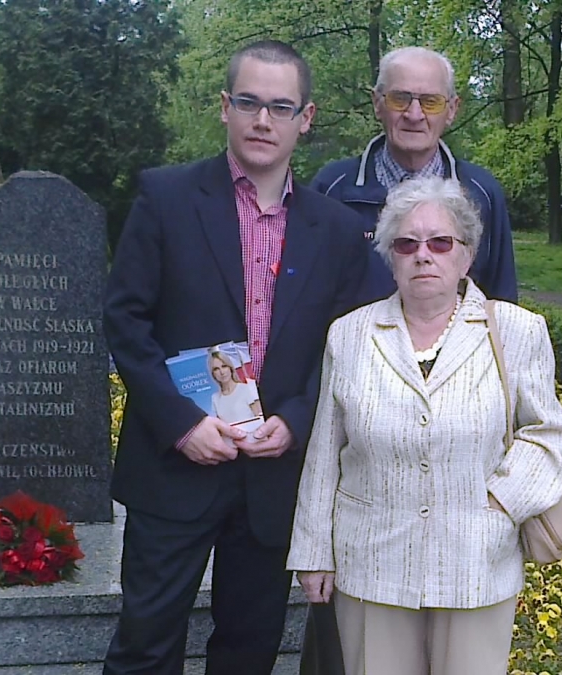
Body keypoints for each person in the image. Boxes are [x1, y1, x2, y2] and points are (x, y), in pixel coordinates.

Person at [102, 40, 371, 675]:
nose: (262, 121)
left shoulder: (336, 230)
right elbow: (125, 320)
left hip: (272, 476)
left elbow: (348, 346)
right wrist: (181, 424)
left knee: (249, 652)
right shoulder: (166, 198)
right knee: (145, 646)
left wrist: (297, 419)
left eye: (281, 107)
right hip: (175, 465)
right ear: (225, 107)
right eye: (249, 103)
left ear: (306, 118)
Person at [287, 176, 562, 675]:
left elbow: (547, 434)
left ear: (466, 256)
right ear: (390, 257)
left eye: (440, 242)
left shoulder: (518, 331)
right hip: (372, 563)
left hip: (476, 560)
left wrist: (500, 502)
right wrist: (313, 552)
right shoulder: (349, 335)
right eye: (407, 244)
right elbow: (325, 452)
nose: (423, 255)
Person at [311, 46, 518, 304]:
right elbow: (310, 297)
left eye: (431, 102)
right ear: (377, 104)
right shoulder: (332, 189)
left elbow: (501, 301)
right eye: (400, 99)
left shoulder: (481, 193)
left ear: (452, 110)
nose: (414, 115)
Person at [209, 349, 262, 423]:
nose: (222, 372)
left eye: (224, 366)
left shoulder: (247, 389)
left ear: (230, 368)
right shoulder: (215, 398)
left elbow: (260, 418)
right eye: (216, 369)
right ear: (213, 374)